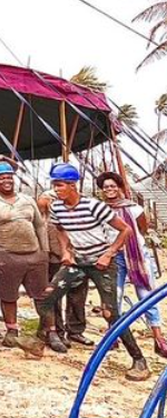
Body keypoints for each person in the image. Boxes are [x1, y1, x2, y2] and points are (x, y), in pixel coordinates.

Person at [37, 163, 150, 381]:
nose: (56, 189)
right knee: (46, 298)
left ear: (72, 186)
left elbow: (125, 230)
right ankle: (41, 338)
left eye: (59, 185)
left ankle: (139, 359)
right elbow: (60, 229)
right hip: (78, 261)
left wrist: (109, 254)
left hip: (102, 264)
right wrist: (66, 251)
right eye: (54, 185)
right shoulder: (57, 208)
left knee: (111, 313)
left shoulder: (94, 206)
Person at [0, 163, 65, 352]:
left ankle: (51, 332)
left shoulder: (28, 200)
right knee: (8, 295)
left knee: (43, 295)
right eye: (1, 177)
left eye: (9, 176)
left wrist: (44, 251)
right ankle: (12, 330)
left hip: (34, 255)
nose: (6, 180)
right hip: (6, 254)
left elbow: (39, 225)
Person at [96, 171, 167, 358]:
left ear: (119, 188)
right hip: (114, 256)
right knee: (113, 297)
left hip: (138, 257)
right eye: (105, 188)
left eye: (112, 186)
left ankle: (158, 338)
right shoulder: (101, 210)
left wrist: (132, 248)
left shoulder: (134, 209)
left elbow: (142, 229)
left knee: (146, 295)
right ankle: (113, 337)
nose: (109, 190)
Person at [37, 190, 90, 347]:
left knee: (78, 296)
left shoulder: (82, 207)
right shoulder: (47, 206)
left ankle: (75, 330)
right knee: (55, 296)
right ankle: (57, 331)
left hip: (80, 257)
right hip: (55, 258)